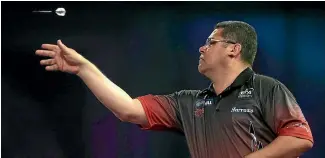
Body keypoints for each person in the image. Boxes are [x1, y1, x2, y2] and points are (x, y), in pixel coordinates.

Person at [35, 21, 313, 158]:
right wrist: (84, 68)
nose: (202, 48)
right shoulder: (190, 102)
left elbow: (299, 138)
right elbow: (128, 110)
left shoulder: (266, 88)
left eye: (211, 42)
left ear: (233, 49)